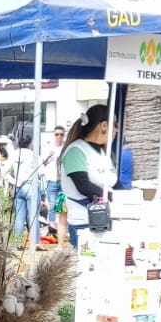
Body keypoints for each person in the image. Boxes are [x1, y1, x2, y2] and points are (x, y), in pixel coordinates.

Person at [59, 104, 112, 247]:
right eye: (115, 124)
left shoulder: (101, 152)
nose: (117, 130)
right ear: (104, 126)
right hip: (84, 220)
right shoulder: (76, 151)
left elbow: (113, 180)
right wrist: (114, 197)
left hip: (101, 219)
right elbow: (84, 185)